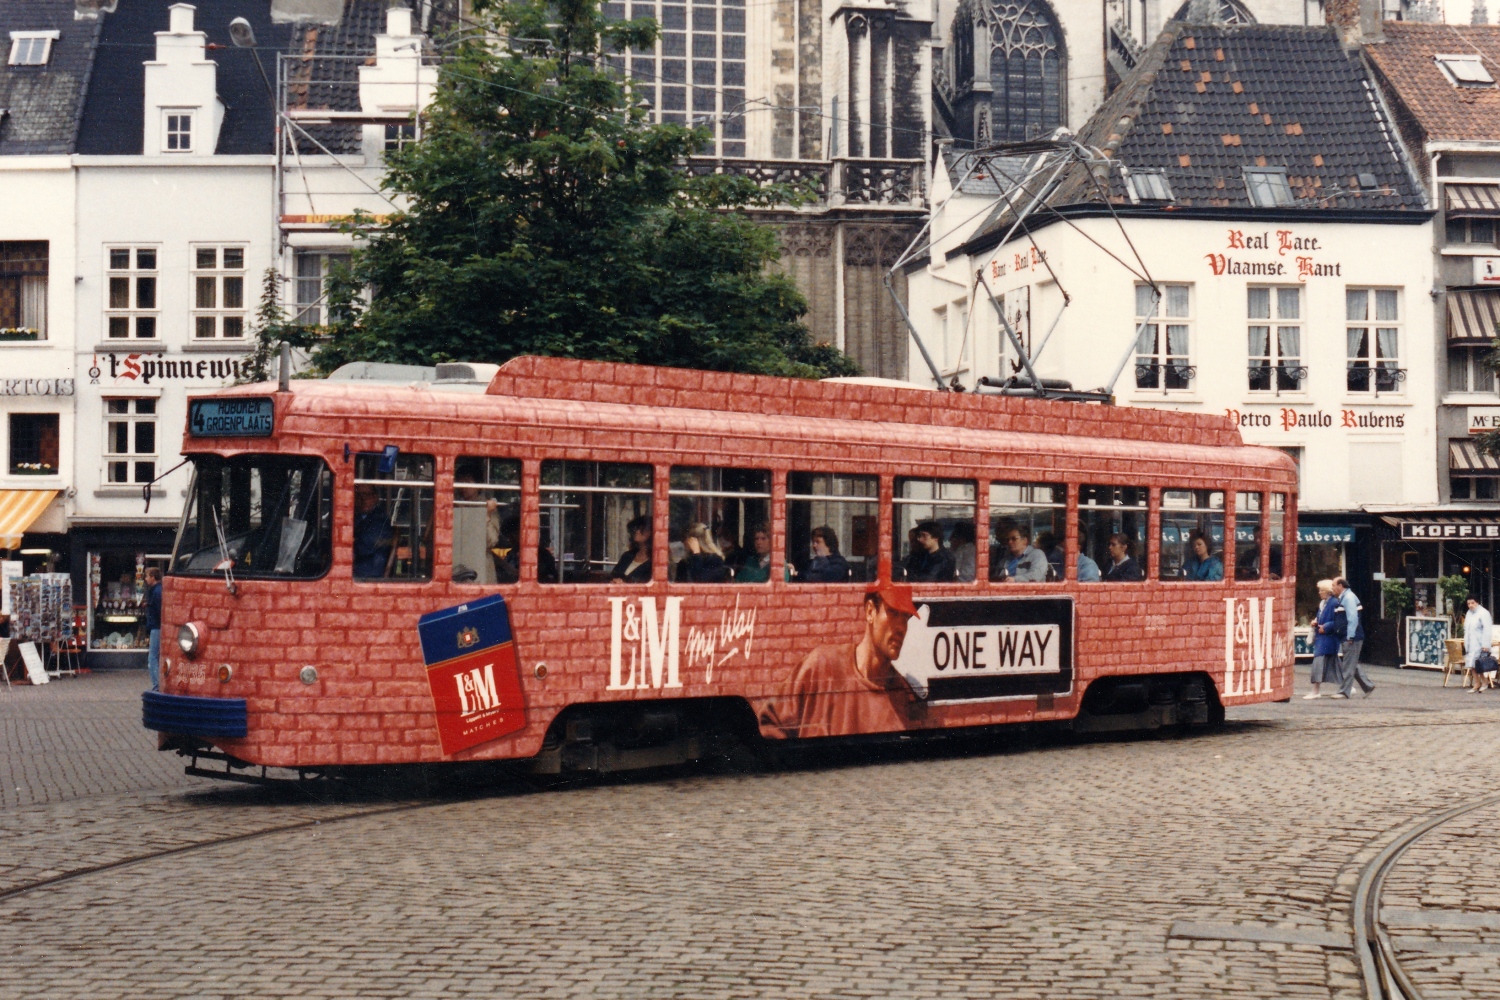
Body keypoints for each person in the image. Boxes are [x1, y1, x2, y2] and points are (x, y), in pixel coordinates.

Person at [759, 582, 922, 738]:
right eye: (893, 613)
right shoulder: (822, 667)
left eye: (906, 618)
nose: (901, 628)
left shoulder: (901, 696)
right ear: (870, 611)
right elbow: (769, 726)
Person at [1332, 576, 1373, 698]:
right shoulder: (1344, 597)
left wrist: (1350, 636)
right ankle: (1368, 685)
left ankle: (1344, 691)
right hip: (1348, 636)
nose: (1332, 588)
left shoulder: (1348, 598)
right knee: (1352, 664)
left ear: (1340, 586)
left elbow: (1352, 618)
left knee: (1348, 665)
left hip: (1351, 637)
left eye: (1334, 586)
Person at [1306, 579, 1340, 699]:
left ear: (1328, 592)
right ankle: (1347, 686)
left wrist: (1325, 626)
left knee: (1318, 662)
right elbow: (1322, 617)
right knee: (1334, 664)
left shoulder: (1333, 603)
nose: (1319, 592)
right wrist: (1316, 621)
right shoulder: (1324, 603)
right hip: (1324, 637)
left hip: (1327, 637)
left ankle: (1315, 691)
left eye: (1321, 590)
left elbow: (1337, 620)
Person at [352, 485, 393, 578]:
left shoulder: (380, 520)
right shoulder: (357, 516)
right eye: (358, 495)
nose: (363, 499)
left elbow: (365, 547)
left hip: (369, 571)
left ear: (375, 498)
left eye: (367, 495)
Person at [1464, 595, 1494, 693]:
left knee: (1478, 664)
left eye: (1472, 603)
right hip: (1470, 642)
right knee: (1471, 664)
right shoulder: (1469, 613)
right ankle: (1477, 683)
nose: (1470, 605)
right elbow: (1467, 629)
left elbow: (1487, 629)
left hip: (1479, 643)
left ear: (1477, 602)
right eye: (1468, 603)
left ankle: (1484, 682)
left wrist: (1486, 644)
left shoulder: (1484, 613)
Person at [610, 515, 653, 583]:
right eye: (636, 528)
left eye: (642, 529)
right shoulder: (627, 556)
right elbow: (612, 576)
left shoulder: (655, 563)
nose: (637, 531)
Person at [144, 567, 163, 691]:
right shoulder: (157, 590)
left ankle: (157, 685)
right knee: (156, 656)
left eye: (147, 576)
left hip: (156, 627)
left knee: (152, 657)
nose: (145, 579)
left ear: (153, 577)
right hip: (156, 626)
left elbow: (158, 611)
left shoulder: (156, 592)